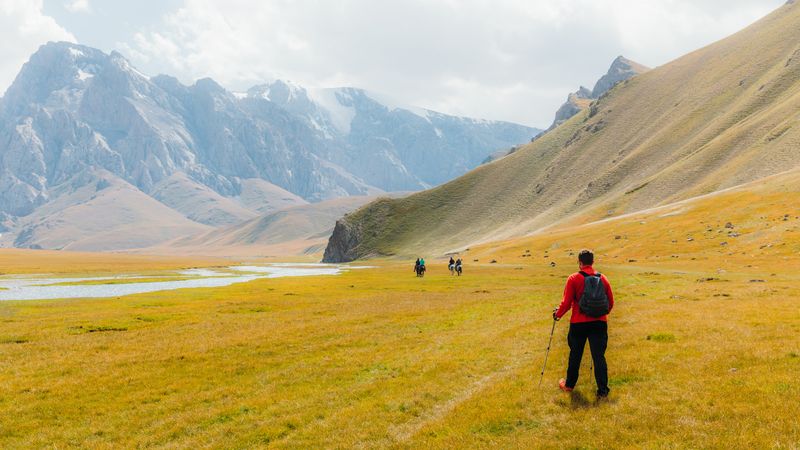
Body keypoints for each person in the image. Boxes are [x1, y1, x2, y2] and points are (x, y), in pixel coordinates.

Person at [553, 249, 614, 398]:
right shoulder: (603, 278)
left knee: (575, 355)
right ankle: (602, 391)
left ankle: (569, 385)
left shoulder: (573, 278)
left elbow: (566, 303)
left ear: (579, 262)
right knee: (599, 357)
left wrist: (557, 314)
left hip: (578, 323)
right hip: (599, 323)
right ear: (593, 262)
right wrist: (599, 314)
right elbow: (610, 303)